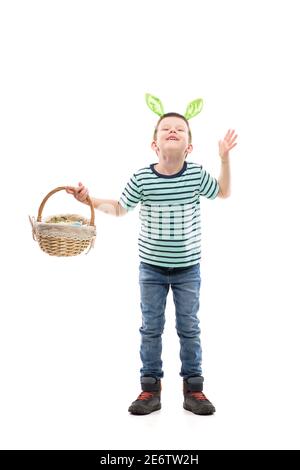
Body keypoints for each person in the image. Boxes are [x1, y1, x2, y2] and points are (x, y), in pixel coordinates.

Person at [66, 104, 237, 416]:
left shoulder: (196, 174)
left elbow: (223, 192)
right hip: (152, 269)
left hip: (188, 269)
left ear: (189, 146)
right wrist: (87, 199)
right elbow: (118, 208)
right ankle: (150, 388)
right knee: (151, 327)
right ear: (155, 144)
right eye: (165, 129)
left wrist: (224, 159)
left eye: (180, 129)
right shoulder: (143, 178)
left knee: (189, 326)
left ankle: (194, 389)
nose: (173, 131)